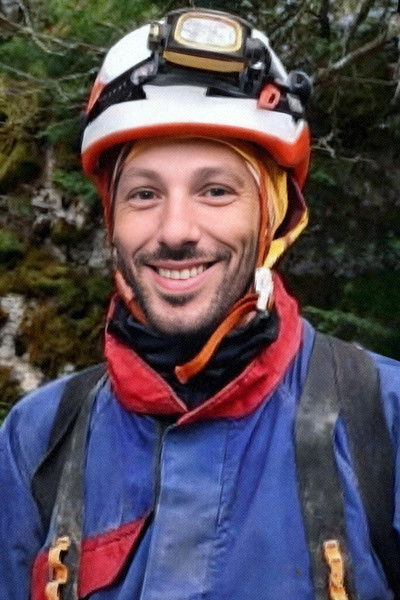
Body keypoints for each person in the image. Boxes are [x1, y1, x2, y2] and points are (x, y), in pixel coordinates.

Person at [1, 7, 400, 600]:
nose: (175, 231)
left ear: (271, 216)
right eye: (144, 194)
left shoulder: (384, 422)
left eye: (215, 190)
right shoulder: (35, 442)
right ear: (112, 221)